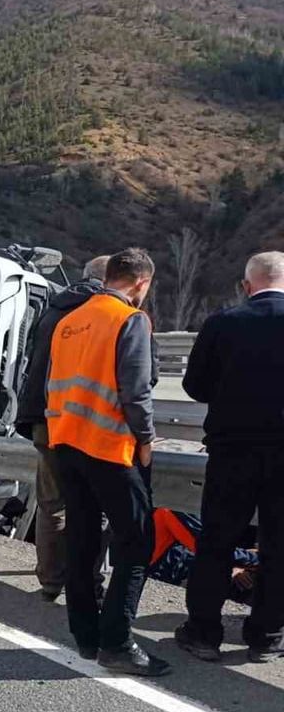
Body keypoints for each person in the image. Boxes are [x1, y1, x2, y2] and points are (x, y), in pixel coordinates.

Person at [46, 248, 169, 676]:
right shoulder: (129, 319)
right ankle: (117, 643)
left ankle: (86, 637)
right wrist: (147, 440)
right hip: (109, 449)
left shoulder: (69, 321)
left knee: (82, 540)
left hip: (66, 444)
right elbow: (136, 391)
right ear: (141, 283)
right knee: (136, 543)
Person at [175, 250, 284, 663]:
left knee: (217, 540)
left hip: (232, 449)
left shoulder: (223, 323)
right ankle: (267, 634)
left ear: (247, 285)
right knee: (279, 544)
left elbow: (195, 386)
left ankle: (203, 632)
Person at [16, 255, 110, 602]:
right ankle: (88, 584)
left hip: (43, 416)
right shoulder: (104, 314)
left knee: (52, 503)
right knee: (93, 504)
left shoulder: (53, 308)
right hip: (85, 421)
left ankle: (51, 580)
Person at [148, 508, 259, 597]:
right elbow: (206, 546)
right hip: (165, 569)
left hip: (173, 559)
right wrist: (253, 559)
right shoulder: (171, 505)